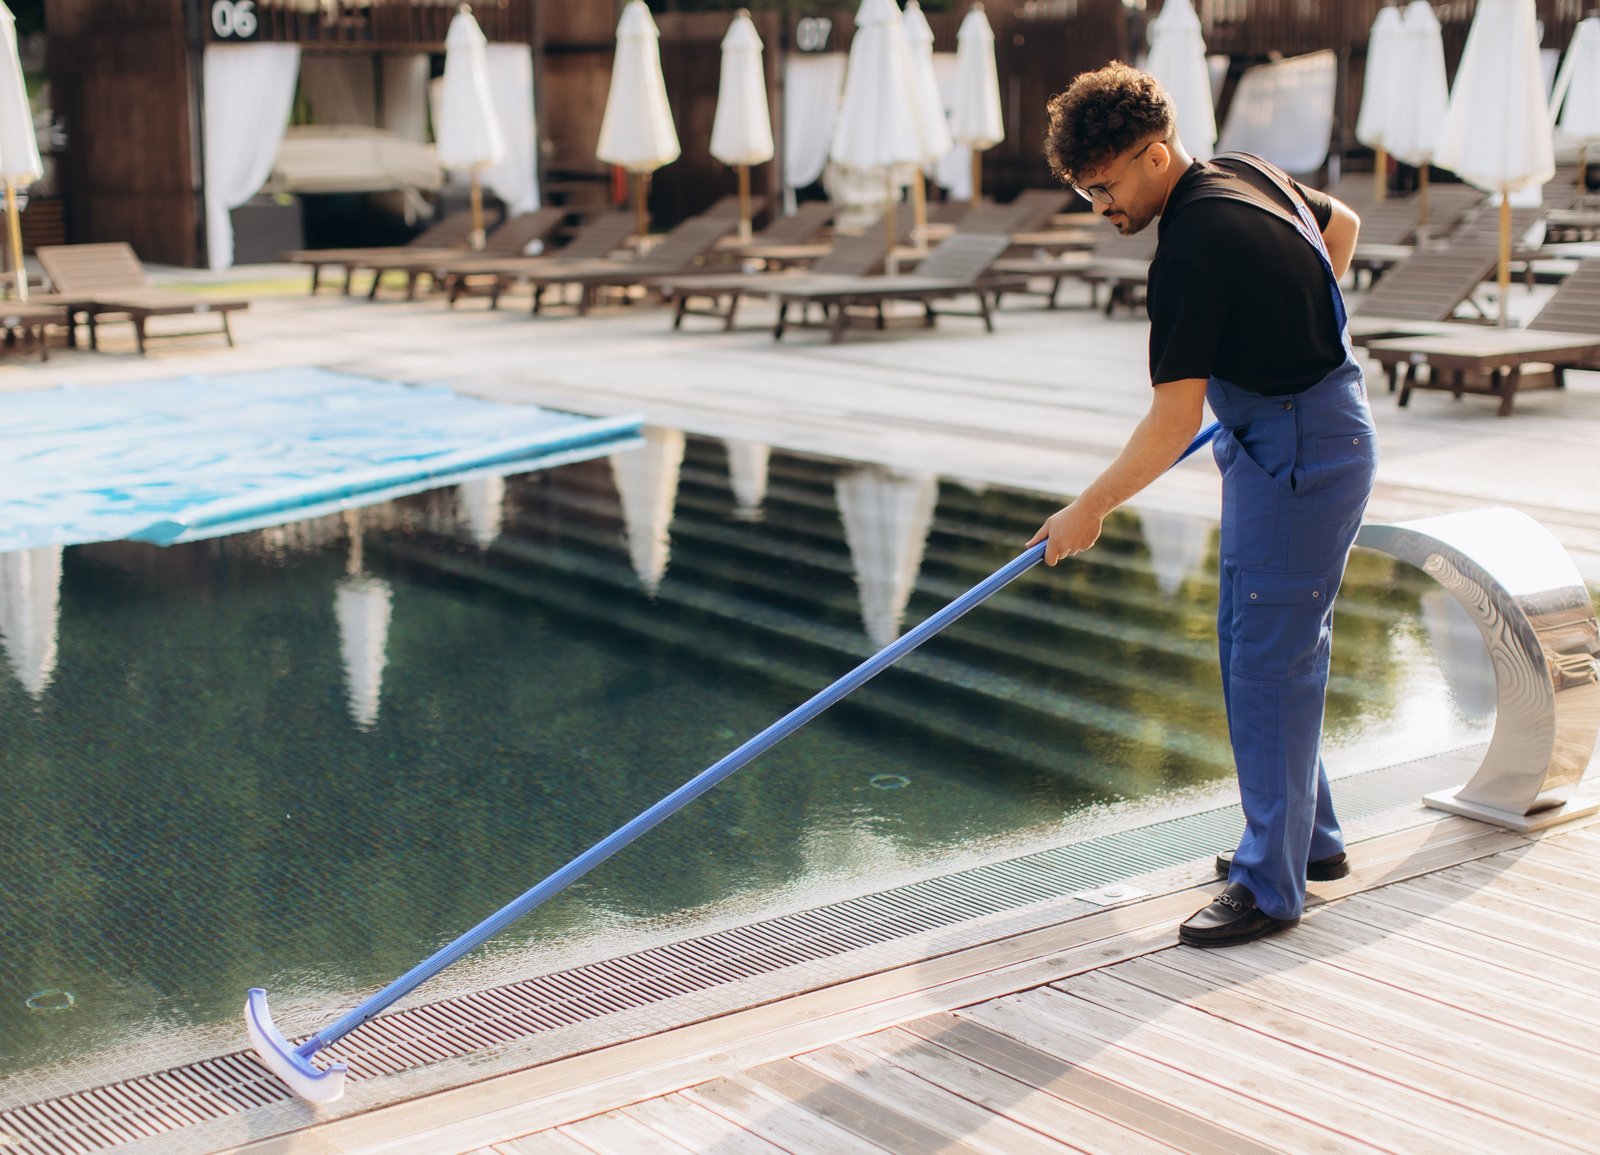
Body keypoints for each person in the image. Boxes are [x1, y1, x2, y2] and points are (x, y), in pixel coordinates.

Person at [1029, 62, 1376, 947]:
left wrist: (1088, 510)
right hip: (1295, 425)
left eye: (1103, 188)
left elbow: (1171, 419)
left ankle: (1271, 887)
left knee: (1270, 659)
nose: (1099, 209)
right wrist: (1282, 349)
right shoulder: (1243, 169)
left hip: (1300, 446)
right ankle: (1310, 843)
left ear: (1153, 155)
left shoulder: (1190, 248)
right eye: (1084, 192)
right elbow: (1340, 233)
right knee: (1253, 642)